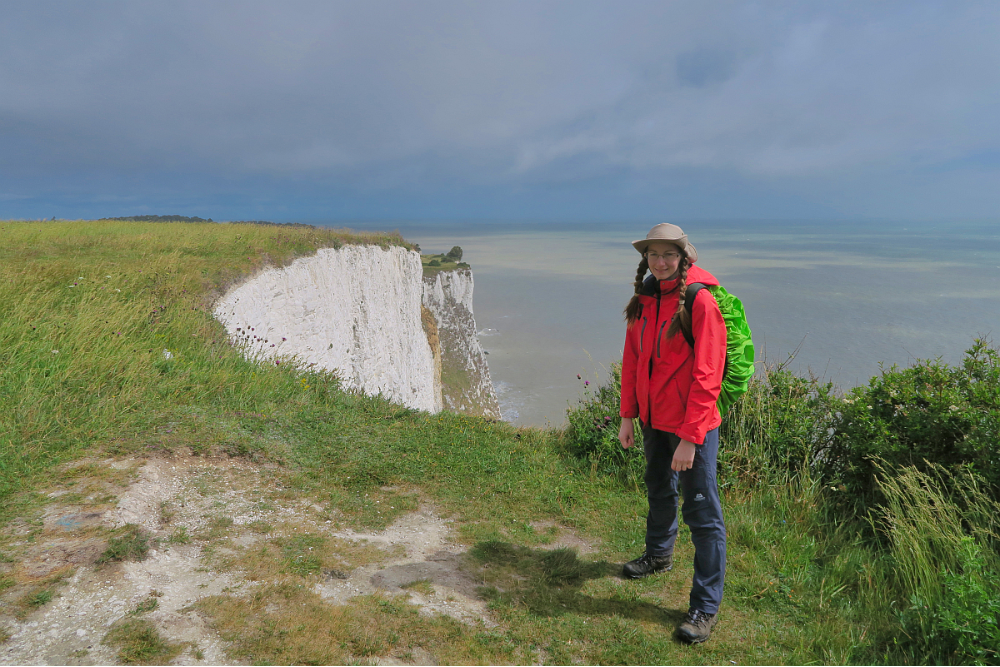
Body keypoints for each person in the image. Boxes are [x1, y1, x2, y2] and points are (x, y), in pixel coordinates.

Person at [618, 223, 727, 644]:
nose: (660, 262)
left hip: (689, 427)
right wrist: (628, 415)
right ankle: (659, 555)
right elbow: (633, 359)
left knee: (702, 513)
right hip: (653, 419)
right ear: (645, 258)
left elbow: (708, 374)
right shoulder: (645, 297)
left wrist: (690, 437)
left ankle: (705, 607)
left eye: (668, 254)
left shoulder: (700, 301)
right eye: (653, 254)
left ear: (683, 258)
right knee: (659, 489)